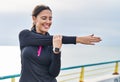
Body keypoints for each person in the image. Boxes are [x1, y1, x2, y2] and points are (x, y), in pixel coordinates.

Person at [19, 4, 101, 82]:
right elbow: (44, 40)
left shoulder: (54, 44)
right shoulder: (25, 35)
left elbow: (54, 73)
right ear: (34, 18)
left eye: (50, 18)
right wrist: (77, 39)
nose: (48, 22)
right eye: (44, 18)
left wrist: (56, 51)